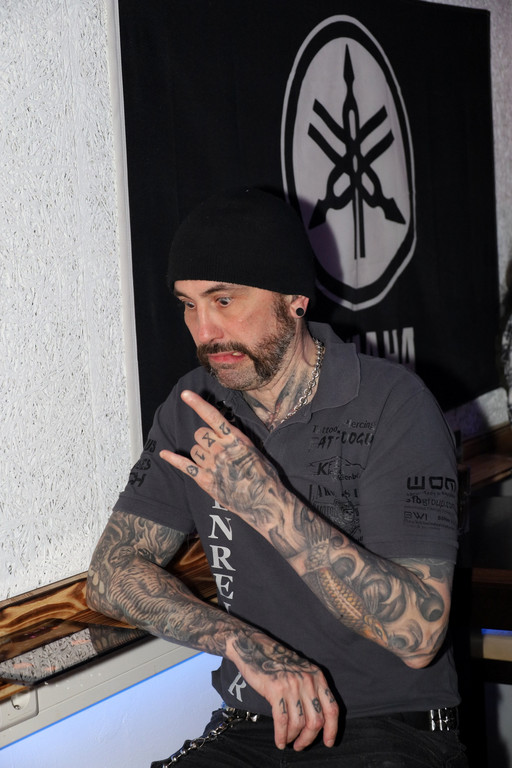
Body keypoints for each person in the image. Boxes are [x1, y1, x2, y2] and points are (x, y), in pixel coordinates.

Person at [86, 188, 467, 767]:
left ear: (294, 300)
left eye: (224, 300)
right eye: (188, 305)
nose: (205, 331)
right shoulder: (192, 406)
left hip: (387, 729)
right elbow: (111, 572)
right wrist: (244, 644)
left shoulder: (393, 403)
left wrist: (265, 500)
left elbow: (418, 636)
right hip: (252, 728)